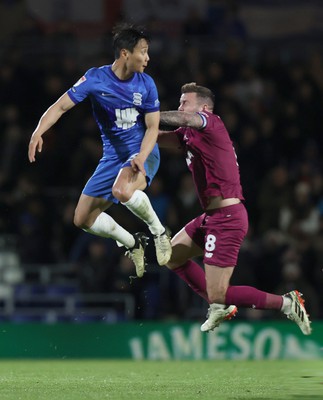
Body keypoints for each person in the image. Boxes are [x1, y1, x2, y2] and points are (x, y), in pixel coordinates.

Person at [158, 82, 312, 335]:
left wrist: (149, 116)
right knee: (172, 256)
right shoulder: (188, 135)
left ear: (204, 107)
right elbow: (155, 137)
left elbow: (179, 118)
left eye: (185, 101)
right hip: (211, 216)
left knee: (219, 292)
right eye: (180, 101)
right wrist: (124, 127)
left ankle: (286, 302)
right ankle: (217, 305)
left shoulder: (212, 122)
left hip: (228, 218)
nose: (180, 106)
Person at [28, 23, 172, 278]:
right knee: (82, 219)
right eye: (143, 51)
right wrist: (39, 130)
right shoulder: (95, 79)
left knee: (122, 190)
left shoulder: (147, 84)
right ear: (125, 53)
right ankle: (132, 243)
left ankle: (159, 232)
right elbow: (61, 106)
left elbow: (152, 128)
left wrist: (140, 156)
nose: (148, 58)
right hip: (112, 159)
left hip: (143, 152)